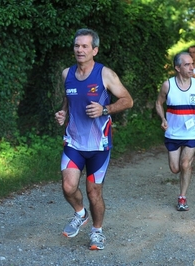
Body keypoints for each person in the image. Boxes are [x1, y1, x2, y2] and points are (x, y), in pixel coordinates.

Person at [54, 28, 133, 250]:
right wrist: (63, 113)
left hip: (99, 145)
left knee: (93, 191)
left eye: (85, 46)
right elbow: (69, 100)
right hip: (74, 142)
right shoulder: (66, 74)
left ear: (94, 50)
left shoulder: (105, 74)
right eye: (77, 46)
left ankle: (97, 232)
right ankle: (80, 213)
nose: (80, 50)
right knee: (69, 187)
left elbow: (128, 100)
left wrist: (105, 109)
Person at [155, 52, 195, 211]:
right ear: (177, 68)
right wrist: (163, 119)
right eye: (187, 65)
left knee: (184, 164)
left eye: (192, 64)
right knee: (175, 168)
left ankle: (182, 197)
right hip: (173, 132)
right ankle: (186, 165)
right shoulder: (168, 85)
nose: (192, 67)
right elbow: (158, 103)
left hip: (193, 132)